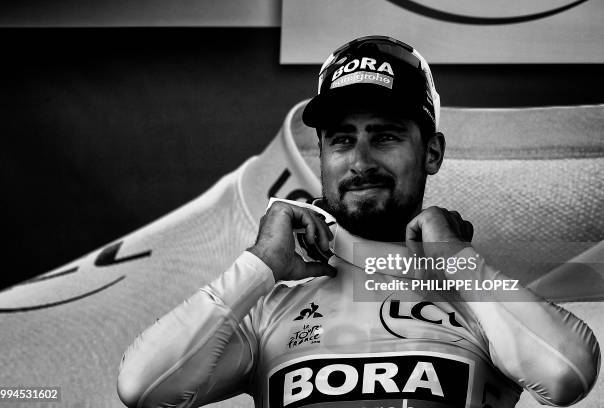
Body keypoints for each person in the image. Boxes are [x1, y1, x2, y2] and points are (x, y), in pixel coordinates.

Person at [116, 36, 600, 408]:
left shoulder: (477, 297)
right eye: (342, 140)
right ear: (322, 155)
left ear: (431, 152)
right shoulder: (266, 308)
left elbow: (567, 376)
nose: (361, 161)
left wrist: (455, 262)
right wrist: (259, 264)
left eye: (385, 136)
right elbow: (144, 387)